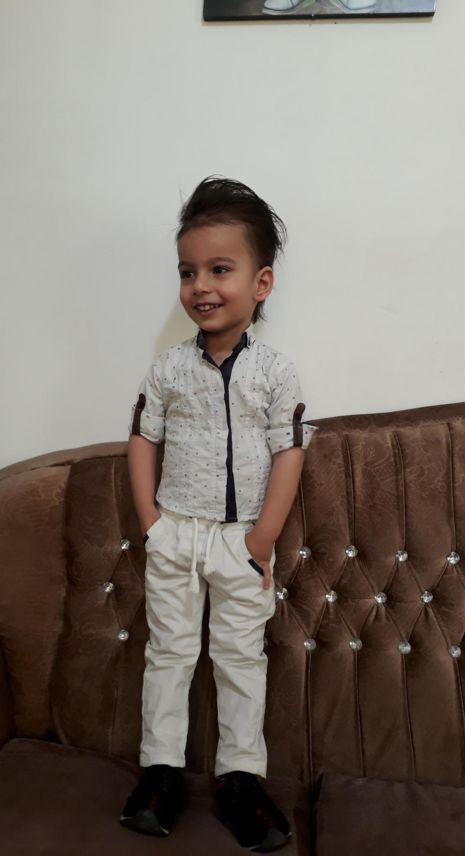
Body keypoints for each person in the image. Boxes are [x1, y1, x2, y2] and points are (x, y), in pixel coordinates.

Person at [120, 177, 315, 852]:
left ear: (261, 283)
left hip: (241, 543)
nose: (201, 286)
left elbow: (289, 452)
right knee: (169, 652)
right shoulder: (168, 370)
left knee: (239, 658)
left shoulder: (276, 374)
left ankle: (240, 780)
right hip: (176, 534)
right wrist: (151, 522)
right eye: (188, 271)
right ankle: (160, 774)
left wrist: (262, 539)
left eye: (219, 270)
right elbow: (142, 437)